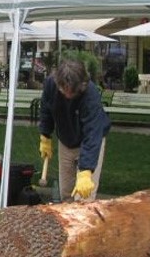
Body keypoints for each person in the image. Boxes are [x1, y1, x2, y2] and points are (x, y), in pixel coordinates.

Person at [38, 58, 111, 202]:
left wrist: (86, 170)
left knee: (84, 197)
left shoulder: (91, 95)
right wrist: (45, 136)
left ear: (81, 85)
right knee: (66, 193)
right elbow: (46, 110)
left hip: (89, 140)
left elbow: (92, 133)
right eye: (64, 90)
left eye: (72, 92)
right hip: (66, 140)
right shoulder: (51, 85)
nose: (67, 95)